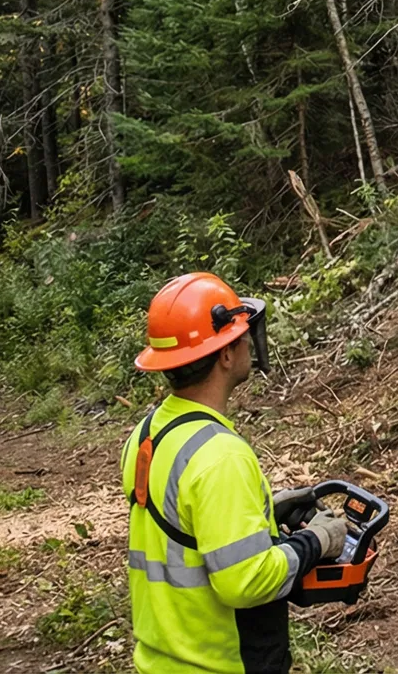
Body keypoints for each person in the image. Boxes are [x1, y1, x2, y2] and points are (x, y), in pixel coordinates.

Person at [123, 272, 348, 674]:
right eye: (241, 335)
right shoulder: (220, 455)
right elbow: (245, 582)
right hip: (221, 662)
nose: (246, 341)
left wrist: (263, 512)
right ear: (225, 355)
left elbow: (181, 527)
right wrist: (317, 541)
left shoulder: (149, 434)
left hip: (162, 659)